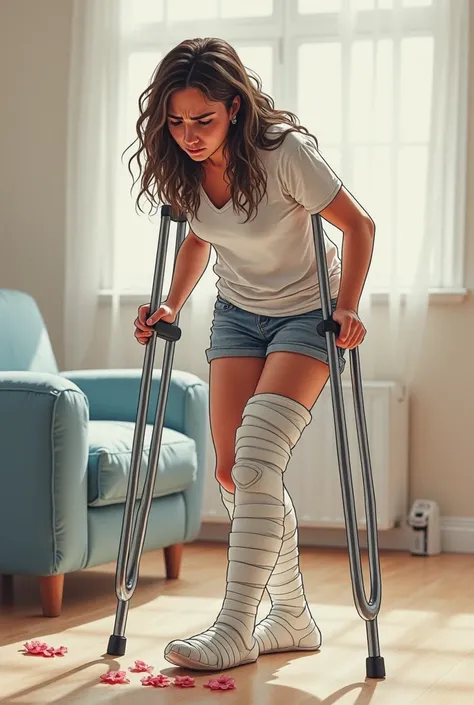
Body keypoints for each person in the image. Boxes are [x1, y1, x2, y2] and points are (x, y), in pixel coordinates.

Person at [128, 37, 375, 671]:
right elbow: (196, 240)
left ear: (234, 107)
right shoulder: (183, 166)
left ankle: (235, 625)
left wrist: (344, 307)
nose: (189, 134)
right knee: (236, 473)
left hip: (304, 314)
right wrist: (171, 305)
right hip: (238, 317)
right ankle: (290, 617)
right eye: (176, 121)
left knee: (261, 454)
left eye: (203, 120)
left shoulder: (284, 154)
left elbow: (358, 226)